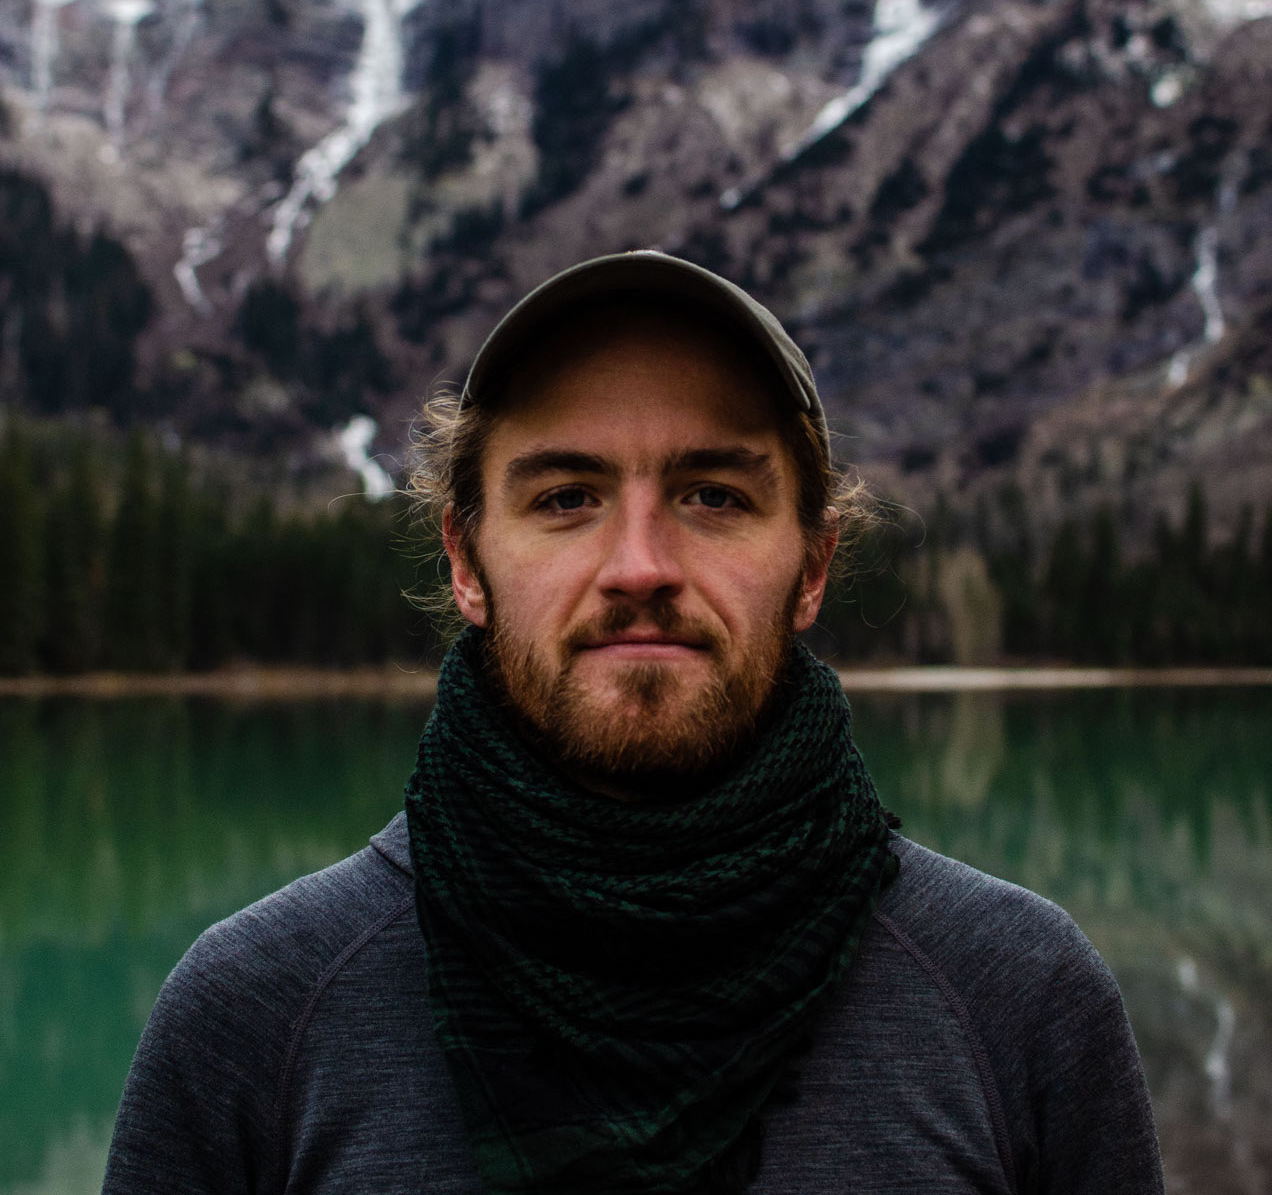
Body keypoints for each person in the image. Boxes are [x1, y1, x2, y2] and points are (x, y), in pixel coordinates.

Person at [103, 251, 1163, 1195]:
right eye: (566, 497)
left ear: (814, 566)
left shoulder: (1020, 998)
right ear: (467, 561)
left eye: (714, 496)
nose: (641, 566)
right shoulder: (256, 1014)